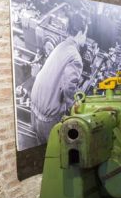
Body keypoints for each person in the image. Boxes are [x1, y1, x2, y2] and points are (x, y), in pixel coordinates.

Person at [30, 11, 88, 144]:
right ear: (80, 33)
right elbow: (68, 89)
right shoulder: (75, 57)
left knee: (40, 149)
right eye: (86, 34)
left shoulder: (60, 46)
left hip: (34, 109)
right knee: (57, 152)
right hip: (48, 119)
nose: (85, 38)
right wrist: (76, 107)